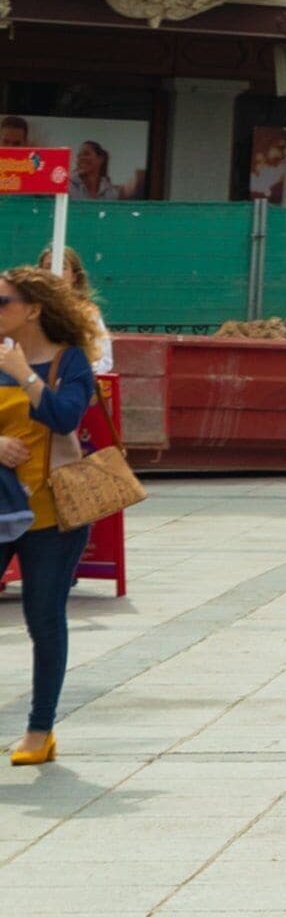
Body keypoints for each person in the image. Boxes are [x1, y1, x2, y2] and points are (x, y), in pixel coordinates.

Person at [0, 264, 108, 764]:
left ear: (34, 310)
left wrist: (26, 376)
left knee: (43, 618)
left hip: (52, 512)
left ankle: (39, 729)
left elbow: (66, 416)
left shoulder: (71, 360)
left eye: (3, 302)